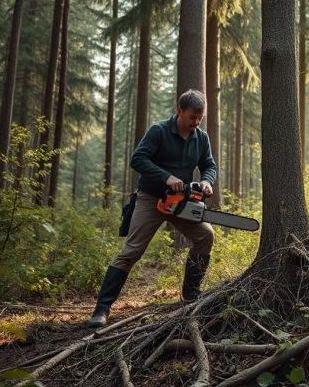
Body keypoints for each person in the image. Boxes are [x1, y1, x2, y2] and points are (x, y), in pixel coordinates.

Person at [87, 89, 218, 328]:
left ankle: (190, 296)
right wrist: (166, 177)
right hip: (151, 198)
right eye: (192, 117)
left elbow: (209, 164)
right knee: (131, 251)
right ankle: (102, 309)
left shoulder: (201, 137)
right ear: (180, 111)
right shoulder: (159, 131)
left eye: (200, 118)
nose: (196, 122)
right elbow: (138, 159)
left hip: (181, 201)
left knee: (205, 235)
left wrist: (207, 181)